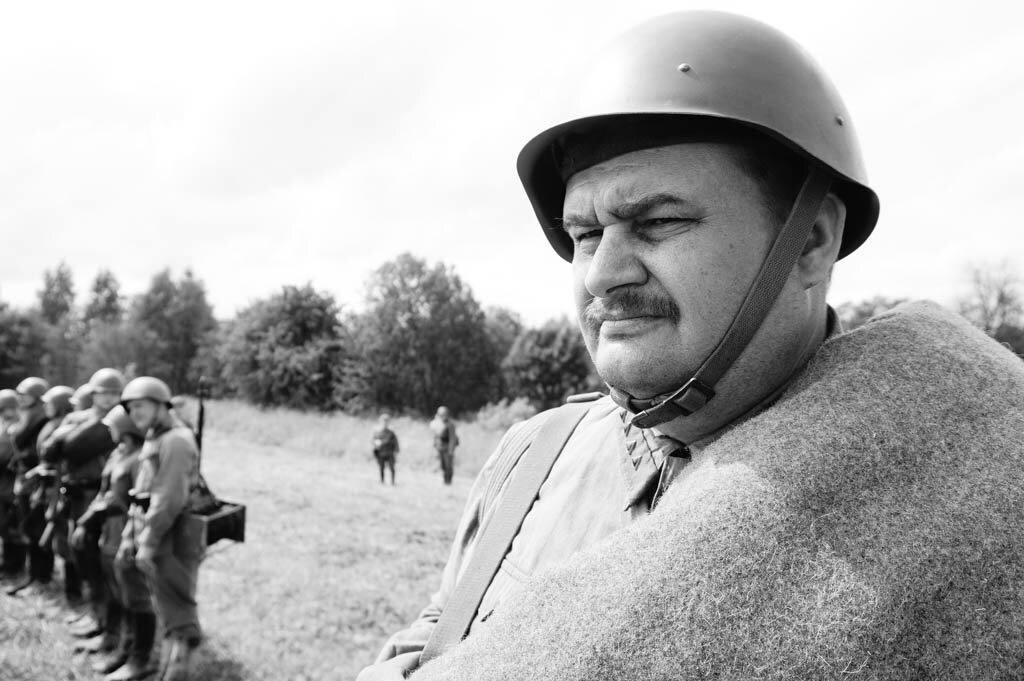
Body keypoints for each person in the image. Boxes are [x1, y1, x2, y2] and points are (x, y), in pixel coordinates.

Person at [360, 11, 1024, 680]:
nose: (601, 273)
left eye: (658, 221)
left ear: (812, 241)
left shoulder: (973, 501)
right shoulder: (533, 454)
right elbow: (445, 628)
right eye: (585, 235)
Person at [118, 376, 203, 681]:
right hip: (159, 532)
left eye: (140, 406)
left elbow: (168, 497)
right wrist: (133, 535)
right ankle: (168, 669)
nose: (134, 414)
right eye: (130, 408)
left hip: (174, 536)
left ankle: (181, 672)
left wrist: (149, 541)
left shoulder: (176, 441)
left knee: (179, 611)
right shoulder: (157, 437)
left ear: (161, 405)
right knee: (166, 608)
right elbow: (144, 491)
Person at [77, 404, 156, 680]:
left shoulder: (140, 459)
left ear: (126, 429)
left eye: (113, 426)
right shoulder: (117, 453)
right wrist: (90, 519)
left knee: (135, 595)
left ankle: (138, 658)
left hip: (126, 533)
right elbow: (105, 492)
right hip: (108, 531)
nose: (109, 430)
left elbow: (135, 502)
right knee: (115, 590)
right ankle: (116, 643)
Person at [44, 368, 123, 637]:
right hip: (76, 494)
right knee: (79, 553)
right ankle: (93, 611)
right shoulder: (76, 419)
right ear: (93, 393)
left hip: (104, 497)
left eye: (114, 393)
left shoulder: (122, 422)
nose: (108, 398)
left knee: (101, 557)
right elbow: (53, 454)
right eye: (103, 392)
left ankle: (106, 619)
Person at [5, 376, 52, 594]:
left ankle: (40, 576)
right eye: (20, 394)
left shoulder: (40, 417)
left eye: (26, 395)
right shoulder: (29, 415)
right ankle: (35, 575)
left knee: (36, 528)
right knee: (29, 527)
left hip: (36, 480)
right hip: (26, 477)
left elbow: (35, 450)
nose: (21, 398)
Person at [0, 389, 23, 579]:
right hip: (2, 481)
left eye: (14, 407)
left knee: (13, 523)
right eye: (8, 408)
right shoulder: (2, 425)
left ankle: (14, 565)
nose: (12, 411)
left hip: (12, 479)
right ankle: (8, 562)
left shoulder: (19, 426)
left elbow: (10, 454)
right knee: (4, 524)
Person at [429, 407, 458, 485]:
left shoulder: (450, 424)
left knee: (448, 465)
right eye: (441, 414)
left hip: (448, 448)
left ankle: (448, 481)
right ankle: (445, 480)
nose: (442, 416)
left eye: (444, 414)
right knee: (443, 465)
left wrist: (450, 450)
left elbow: (452, 438)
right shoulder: (438, 423)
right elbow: (434, 432)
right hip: (440, 448)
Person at [371, 413, 399, 485]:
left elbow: (396, 442)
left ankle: (392, 482)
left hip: (390, 452)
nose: (385, 423)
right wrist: (375, 443)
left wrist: (396, 451)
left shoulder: (391, 432)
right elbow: (373, 440)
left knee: (392, 467)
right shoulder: (377, 431)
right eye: (383, 421)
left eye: (387, 421)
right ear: (380, 421)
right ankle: (382, 481)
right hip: (380, 452)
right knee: (381, 467)